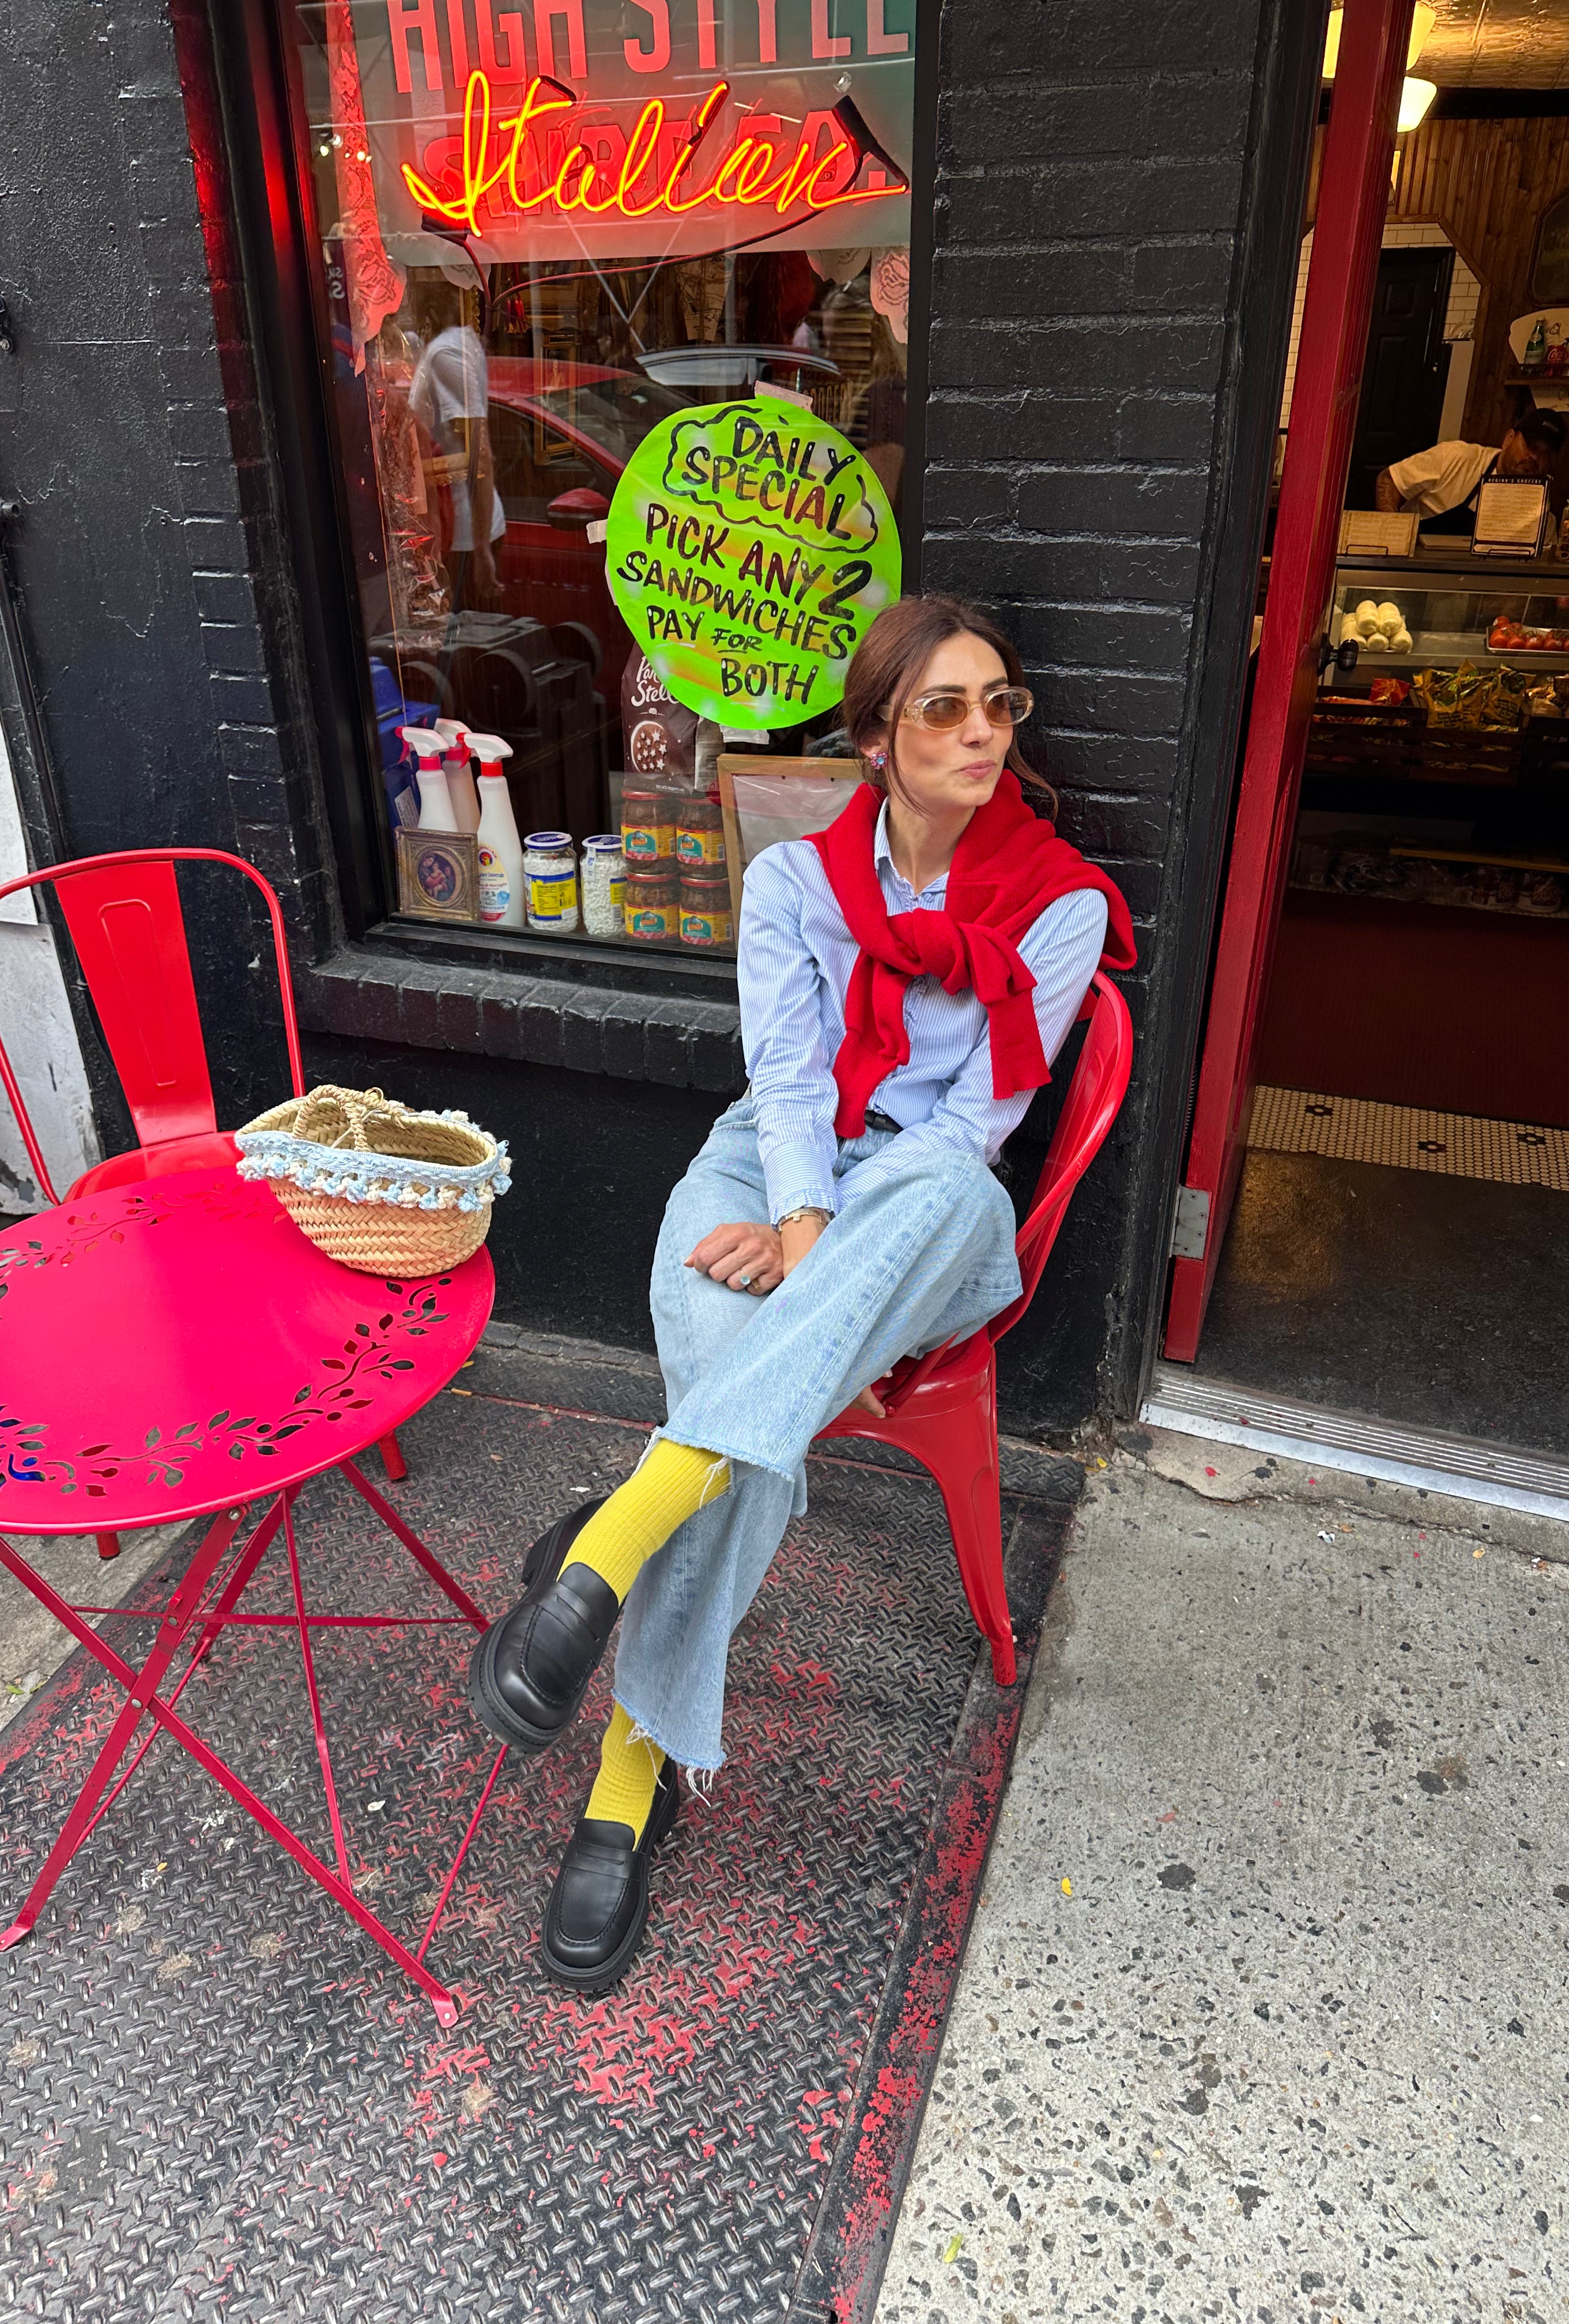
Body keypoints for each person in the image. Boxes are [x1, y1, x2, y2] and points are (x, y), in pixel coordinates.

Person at [467, 595, 1136, 1990]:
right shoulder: (792, 885)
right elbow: (782, 1082)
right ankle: (636, 1764)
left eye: (999, 704)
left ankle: (605, 1558)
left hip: (930, 1221)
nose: (980, 733)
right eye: (944, 707)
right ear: (878, 736)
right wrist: (800, 1218)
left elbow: (974, 1128)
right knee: (744, 1408)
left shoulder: (1062, 904)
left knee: (932, 1191)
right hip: (776, 1169)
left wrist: (815, 1255)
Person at [409, 302, 505, 611]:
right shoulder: (458, 343)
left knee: (466, 633)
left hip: (463, 533)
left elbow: (479, 453)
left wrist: (481, 550)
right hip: (462, 530)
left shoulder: (444, 353)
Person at [1374, 407, 1567, 534]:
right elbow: (1390, 479)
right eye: (1530, 445)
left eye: (1545, 453)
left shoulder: (1540, 511)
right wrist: (1392, 531)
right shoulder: (1457, 457)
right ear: (1509, 439)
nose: (1534, 457)